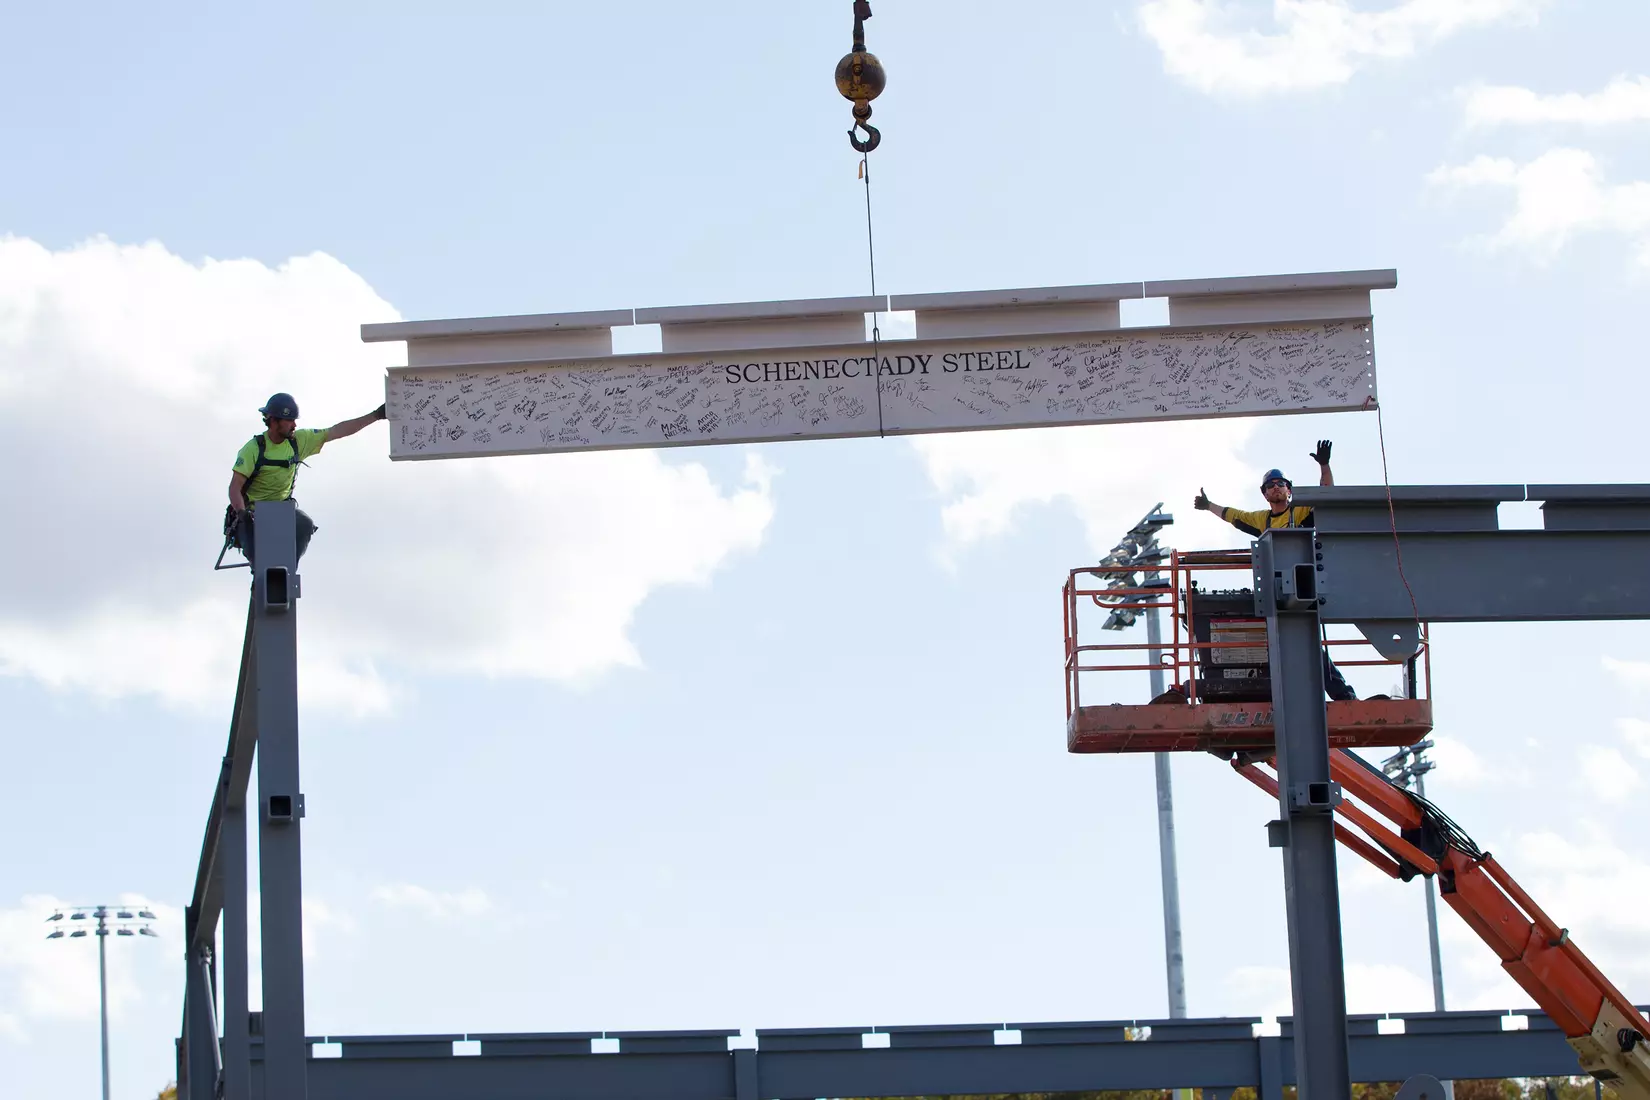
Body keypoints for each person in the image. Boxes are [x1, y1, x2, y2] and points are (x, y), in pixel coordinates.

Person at [1188, 439, 1357, 701]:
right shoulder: (1262, 519)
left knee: (1310, 644)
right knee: (1280, 645)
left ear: (1289, 490)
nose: (1276, 488)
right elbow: (1234, 515)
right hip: (1274, 590)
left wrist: (1324, 466)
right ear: (1265, 493)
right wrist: (1209, 506)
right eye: (1271, 485)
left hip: (1302, 588)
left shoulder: (1300, 513)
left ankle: (1343, 696)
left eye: (1281, 484)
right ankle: (1284, 694)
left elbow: (1327, 495)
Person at [227, 392, 386, 564]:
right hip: (251, 513)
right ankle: (259, 581)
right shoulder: (253, 449)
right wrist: (242, 515)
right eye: (289, 420)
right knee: (259, 556)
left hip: (280, 511)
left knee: (304, 524)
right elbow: (235, 488)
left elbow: (337, 431)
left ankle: (286, 574)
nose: (294, 425)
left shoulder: (298, 441)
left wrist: (376, 415)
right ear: (273, 421)